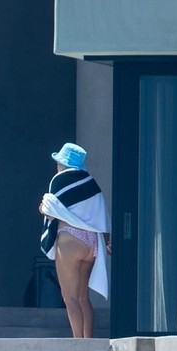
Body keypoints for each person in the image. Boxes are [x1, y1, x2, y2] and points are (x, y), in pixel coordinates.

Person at [38, 142, 110, 340]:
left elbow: (50, 209)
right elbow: (101, 214)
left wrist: (43, 208)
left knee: (69, 297)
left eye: (58, 162)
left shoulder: (59, 180)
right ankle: (88, 340)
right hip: (91, 242)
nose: (57, 166)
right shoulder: (91, 182)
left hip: (70, 239)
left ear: (63, 163)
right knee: (83, 297)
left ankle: (78, 341)